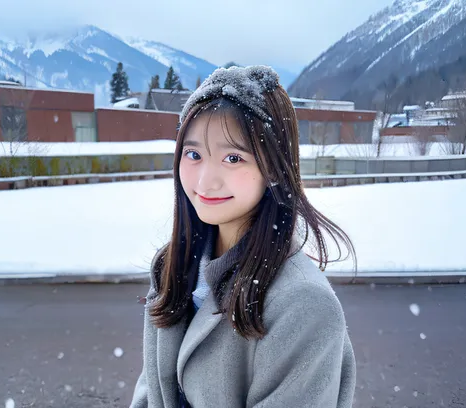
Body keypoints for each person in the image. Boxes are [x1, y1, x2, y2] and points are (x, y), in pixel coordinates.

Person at [129, 65, 357, 408]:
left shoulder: (303, 304)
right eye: (194, 154)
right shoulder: (173, 267)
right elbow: (152, 388)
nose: (206, 181)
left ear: (274, 167)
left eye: (232, 157)